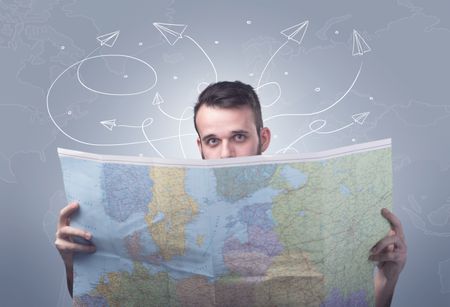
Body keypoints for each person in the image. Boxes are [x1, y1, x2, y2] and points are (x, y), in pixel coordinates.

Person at [55, 81, 407, 306]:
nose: (225, 154)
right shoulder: (170, 209)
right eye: (213, 141)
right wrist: (75, 266)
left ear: (263, 139)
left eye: (239, 137)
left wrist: (387, 278)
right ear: (200, 146)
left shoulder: (302, 201)